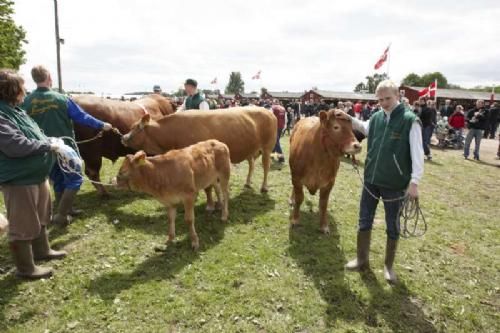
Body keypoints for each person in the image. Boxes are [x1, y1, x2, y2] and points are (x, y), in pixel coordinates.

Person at [346, 80, 424, 283]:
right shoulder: (377, 117)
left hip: (395, 182)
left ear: (397, 95)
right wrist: (348, 118)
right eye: (380, 99)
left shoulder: (410, 120)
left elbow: (417, 154)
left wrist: (414, 182)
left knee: (392, 224)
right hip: (371, 178)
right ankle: (362, 259)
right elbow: (365, 128)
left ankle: (388, 267)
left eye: (387, 98)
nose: (383, 103)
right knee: (364, 219)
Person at [22, 65, 113, 226]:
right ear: (49, 78)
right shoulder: (62, 99)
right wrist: (101, 125)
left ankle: (66, 209)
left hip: (42, 148)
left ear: (34, 79)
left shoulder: (26, 101)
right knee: (75, 179)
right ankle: (62, 214)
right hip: (65, 148)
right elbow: (81, 117)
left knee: (57, 179)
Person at [0, 68, 67, 279]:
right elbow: (15, 145)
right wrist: (46, 146)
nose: (25, 89)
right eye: (21, 86)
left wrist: (49, 141)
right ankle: (25, 268)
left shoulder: (16, 110)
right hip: (19, 179)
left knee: (41, 215)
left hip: (36, 175)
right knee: (22, 224)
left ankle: (42, 250)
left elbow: (33, 134)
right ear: (11, 90)